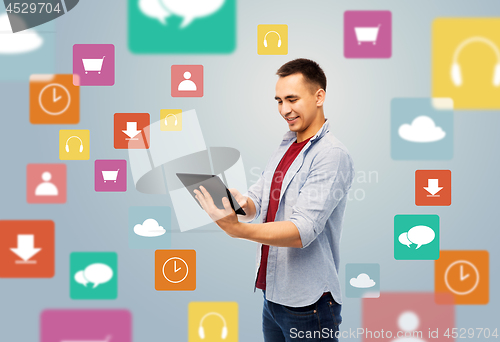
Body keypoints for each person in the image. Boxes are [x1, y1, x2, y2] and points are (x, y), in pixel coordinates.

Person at [194, 58, 354, 341]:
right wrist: (239, 203)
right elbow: (259, 197)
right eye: (279, 101)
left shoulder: (332, 155)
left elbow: (302, 230)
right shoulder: (286, 145)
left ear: (319, 97)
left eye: (292, 99)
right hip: (273, 295)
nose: (284, 110)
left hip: (310, 305)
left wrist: (238, 229)